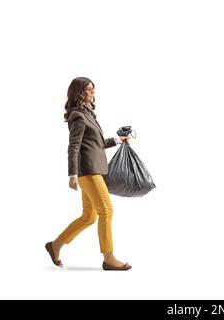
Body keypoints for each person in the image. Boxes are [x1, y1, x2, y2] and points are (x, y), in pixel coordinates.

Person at [45, 77, 132, 271]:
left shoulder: (89, 115)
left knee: (89, 217)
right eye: (89, 89)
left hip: (95, 169)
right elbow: (73, 147)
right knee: (107, 211)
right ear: (79, 93)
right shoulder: (78, 116)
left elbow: (96, 144)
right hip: (87, 171)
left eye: (93, 89)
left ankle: (56, 245)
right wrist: (72, 175)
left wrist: (118, 141)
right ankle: (109, 257)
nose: (93, 92)